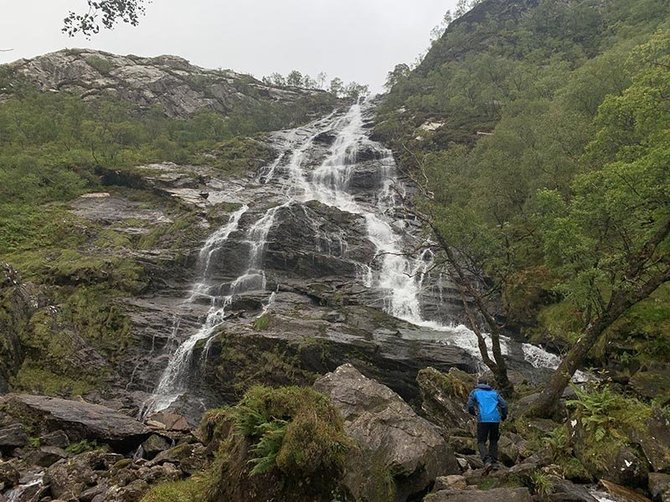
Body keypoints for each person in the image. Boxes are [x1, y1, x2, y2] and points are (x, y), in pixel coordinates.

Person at [466, 375, 508, 472]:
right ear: (487, 384)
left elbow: (470, 405)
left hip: (483, 419)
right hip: (495, 419)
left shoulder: (475, 392)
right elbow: (504, 405)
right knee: (493, 440)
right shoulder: (494, 393)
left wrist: (473, 413)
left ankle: (487, 461)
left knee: (481, 442)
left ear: (478, 383)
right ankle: (494, 463)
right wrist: (504, 415)